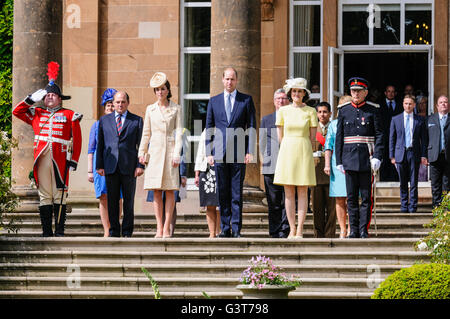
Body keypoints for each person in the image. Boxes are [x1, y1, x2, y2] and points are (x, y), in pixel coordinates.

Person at [13, 81, 82, 237]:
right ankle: (46, 231)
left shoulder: (70, 115)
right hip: (42, 157)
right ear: (43, 99)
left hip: (61, 158)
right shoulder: (36, 112)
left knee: (60, 193)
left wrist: (74, 160)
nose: (50, 97)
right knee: (44, 194)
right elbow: (16, 111)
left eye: (53, 95)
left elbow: (77, 140)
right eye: (47, 95)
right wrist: (30, 99)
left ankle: (59, 230)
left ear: (59, 99)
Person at [205, 67, 257, 238]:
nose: (229, 82)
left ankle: (236, 229)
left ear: (237, 80)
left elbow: (251, 127)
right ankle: (225, 228)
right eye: (227, 79)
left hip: (239, 153)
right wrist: (208, 152)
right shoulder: (214, 101)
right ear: (222, 80)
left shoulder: (246, 100)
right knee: (223, 192)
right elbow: (209, 128)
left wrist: (250, 151)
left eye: (232, 79)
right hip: (219, 153)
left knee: (236, 193)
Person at [335, 77, 384, 239]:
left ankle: (364, 230)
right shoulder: (343, 110)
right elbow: (339, 137)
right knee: (351, 198)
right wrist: (339, 161)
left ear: (366, 93)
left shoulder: (373, 109)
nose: (355, 93)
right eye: (353, 90)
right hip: (348, 159)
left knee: (366, 198)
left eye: (359, 91)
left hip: (366, 158)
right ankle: (353, 230)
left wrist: (377, 156)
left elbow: (379, 135)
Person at [138, 72, 183, 238]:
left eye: (163, 89)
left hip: (170, 152)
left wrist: (177, 153)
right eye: (157, 89)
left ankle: (166, 227)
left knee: (170, 190)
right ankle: (158, 227)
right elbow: (146, 133)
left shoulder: (176, 108)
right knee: (156, 190)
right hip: (155, 152)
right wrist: (142, 152)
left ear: (168, 90)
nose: (160, 92)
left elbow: (179, 132)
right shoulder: (150, 109)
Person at [273, 77, 317, 239]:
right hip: (287, 150)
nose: (297, 94)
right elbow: (280, 136)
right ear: (290, 93)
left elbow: (312, 138)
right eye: (294, 91)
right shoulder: (283, 111)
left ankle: (300, 229)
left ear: (304, 93)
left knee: (303, 191)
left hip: (303, 149)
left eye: (300, 91)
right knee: (289, 192)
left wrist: (308, 151)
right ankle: (291, 228)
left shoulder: (311, 111)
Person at [96, 91, 144, 238]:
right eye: (117, 102)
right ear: (113, 103)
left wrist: (140, 165)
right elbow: (101, 145)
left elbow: (141, 145)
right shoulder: (104, 121)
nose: (120, 104)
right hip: (111, 166)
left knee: (129, 201)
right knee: (112, 201)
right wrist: (99, 165)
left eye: (123, 102)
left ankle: (128, 231)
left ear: (128, 103)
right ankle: (114, 231)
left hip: (129, 167)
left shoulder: (136, 120)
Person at [88, 88, 121, 237]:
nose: (110, 107)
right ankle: (106, 229)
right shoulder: (96, 125)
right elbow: (91, 148)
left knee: (118, 196)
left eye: (112, 104)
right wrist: (90, 170)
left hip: (118, 163)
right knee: (103, 196)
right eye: (107, 105)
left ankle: (116, 226)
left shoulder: (121, 123)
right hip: (100, 164)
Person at [259, 88, 290, 238]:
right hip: (271, 165)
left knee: (288, 199)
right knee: (273, 201)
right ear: (274, 101)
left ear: (288, 101)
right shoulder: (266, 119)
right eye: (278, 98)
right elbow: (263, 143)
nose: (281, 101)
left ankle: (285, 229)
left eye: (284, 98)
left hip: (289, 164)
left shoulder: (292, 117)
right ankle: (274, 230)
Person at [389, 95, 428, 213]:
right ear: (403, 104)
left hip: (414, 153)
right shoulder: (396, 119)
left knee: (414, 181)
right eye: (406, 103)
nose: (408, 106)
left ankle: (413, 206)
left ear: (414, 105)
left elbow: (424, 139)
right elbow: (392, 138)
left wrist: (423, 155)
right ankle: (404, 205)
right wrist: (392, 155)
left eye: (410, 104)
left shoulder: (419, 120)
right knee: (403, 181)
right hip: (400, 153)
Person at [146, 129, 187, 237]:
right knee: (160, 200)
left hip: (172, 172)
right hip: (157, 172)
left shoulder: (176, 134)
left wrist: (183, 174)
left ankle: (169, 230)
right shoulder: (153, 134)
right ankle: (160, 228)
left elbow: (182, 156)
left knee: (171, 203)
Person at [324, 95, 352, 238]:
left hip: (353, 163)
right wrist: (327, 164)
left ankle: (352, 227)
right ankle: (342, 229)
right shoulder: (334, 125)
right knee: (340, 198)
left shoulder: (354, 121)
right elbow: (328, 146)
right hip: (337, 165)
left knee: (352, 198)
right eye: (342, 107)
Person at [311, 101, 336, 238]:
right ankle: (318, 236)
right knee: (317, 208)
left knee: (332, 210)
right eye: (319, 112)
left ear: (330, 113)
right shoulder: (312, 129)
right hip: (315, 172)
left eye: (325, 112)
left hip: (331, 172)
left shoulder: (334, 127)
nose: (322, 114)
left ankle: (330, 235)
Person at [195, 129, 220, 238]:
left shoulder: (226, 127)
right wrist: (196, 174)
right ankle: (212, 233)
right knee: (210, 204)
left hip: (222, 170)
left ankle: (219, 232)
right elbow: (200, 153)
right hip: (206, 170)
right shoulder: (206, 131)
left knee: (220, 205)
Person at [427, 95, 450, 208]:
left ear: (448, 105)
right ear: (437, 106)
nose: (443, 104)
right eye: (441, 102)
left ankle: (446, 209)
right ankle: (436, 208)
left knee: (447, 184)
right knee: (435, 184)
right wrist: (424, 155)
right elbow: (425, 138)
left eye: (445, 102)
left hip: (447, 156)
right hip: (434, 156)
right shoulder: (430, 119)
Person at [379, 85, 402, 182]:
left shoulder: (400, 105)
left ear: (395, 93)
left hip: (397, 137)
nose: (391, 93)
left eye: (393, 91)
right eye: (389, 91)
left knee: (396, 159)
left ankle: (395, 179)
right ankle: (384, 179)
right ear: (385, 93)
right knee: (384, 159)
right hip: (384, 137)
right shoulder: (379, 105)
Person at [417, 96, 429, 181]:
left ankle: (445, 195)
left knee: (445, 181)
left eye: (424, 103)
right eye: (420, 103)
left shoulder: (431, 118)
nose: (422, 105)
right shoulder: (415, 119)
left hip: (432, 148)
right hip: (419, 150)